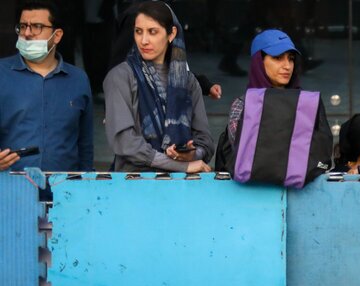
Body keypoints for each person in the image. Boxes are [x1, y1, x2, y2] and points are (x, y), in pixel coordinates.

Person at [103, 1, 213, 172]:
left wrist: (191, 155)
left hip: (181, 188)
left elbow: (205, 140)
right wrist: (180, 166)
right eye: (138, 32)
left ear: (171, 34)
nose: (144, 40)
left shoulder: (188, 82)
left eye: (152, 32)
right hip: (134, 185)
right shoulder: (120, 77)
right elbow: (125, 143)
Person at [0, 0, 93, 172]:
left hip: (65, 191)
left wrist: (85, 185)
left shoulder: (78, 79)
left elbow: (85, 144)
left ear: (57, 35)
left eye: (36, 26)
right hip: (10, 189)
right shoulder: (2, 74)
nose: (27, 33)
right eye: (22, 26)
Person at [215, 29, 301, 172]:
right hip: (252, 190)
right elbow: (247, 152)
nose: (287, 66)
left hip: (298, 188)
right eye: (278, 58)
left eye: (291, 58)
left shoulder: (305, 103)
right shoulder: (242, 106)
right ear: (259, 62)